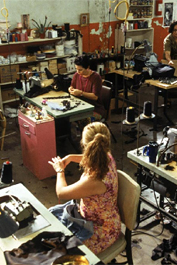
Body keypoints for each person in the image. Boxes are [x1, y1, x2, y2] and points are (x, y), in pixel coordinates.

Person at [48, 122, 121, 254]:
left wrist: (60, 171)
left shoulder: (95, 179)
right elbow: (91, 157)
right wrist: (71, 157)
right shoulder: (106, 156)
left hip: (101, 230)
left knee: (58, 251)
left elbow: (61, 193)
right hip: (95, 219)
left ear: (85, 144)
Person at [68, 55, 106, 120]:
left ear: (88, 67)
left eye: (80, 70)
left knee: (83, 119)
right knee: (66, 116)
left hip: (94, 108)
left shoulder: (96, 77)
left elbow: (95, 97)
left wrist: (81, 93)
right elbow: (72, 86)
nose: (78, 72)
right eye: (76, 69)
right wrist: (70, 89)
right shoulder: (77, 75)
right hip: (81, 106)